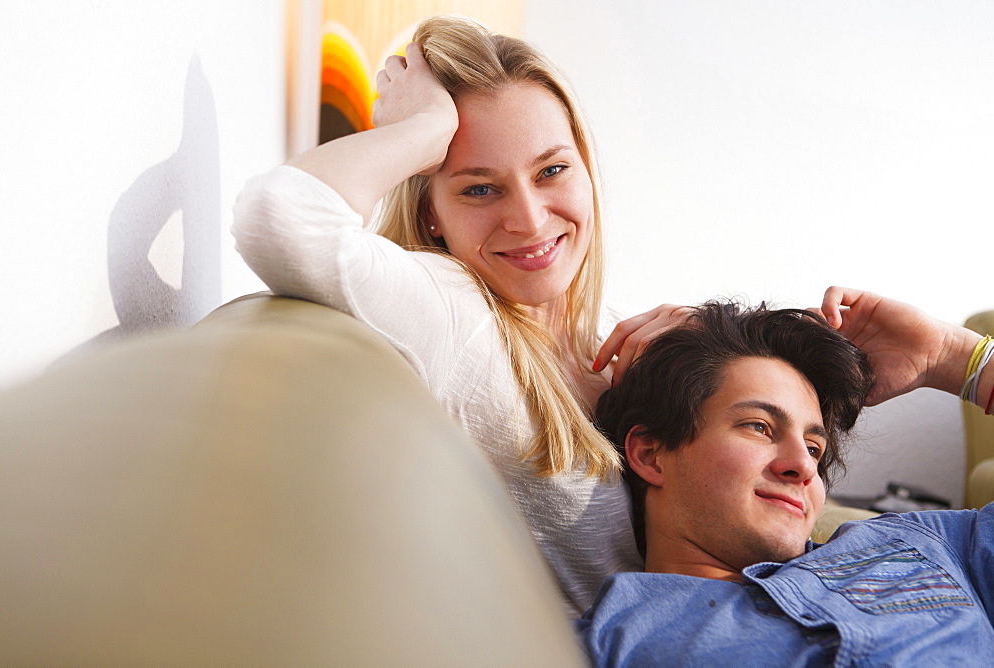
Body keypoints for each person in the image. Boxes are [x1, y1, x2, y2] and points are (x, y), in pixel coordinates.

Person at [232, 15, 692, 616]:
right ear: (431, 216)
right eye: (479, 189)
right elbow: (279, 217)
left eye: (551, 170)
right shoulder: (453, 309)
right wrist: (424, 129)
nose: (528, 219)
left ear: (585, 170)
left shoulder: (613, 326)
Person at [581, 295, 994, 665]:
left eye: (815, 448)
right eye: (759, 427)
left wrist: (954, 359)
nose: (804, 465)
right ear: (652, 455)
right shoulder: (608, 641)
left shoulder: (934, 545)